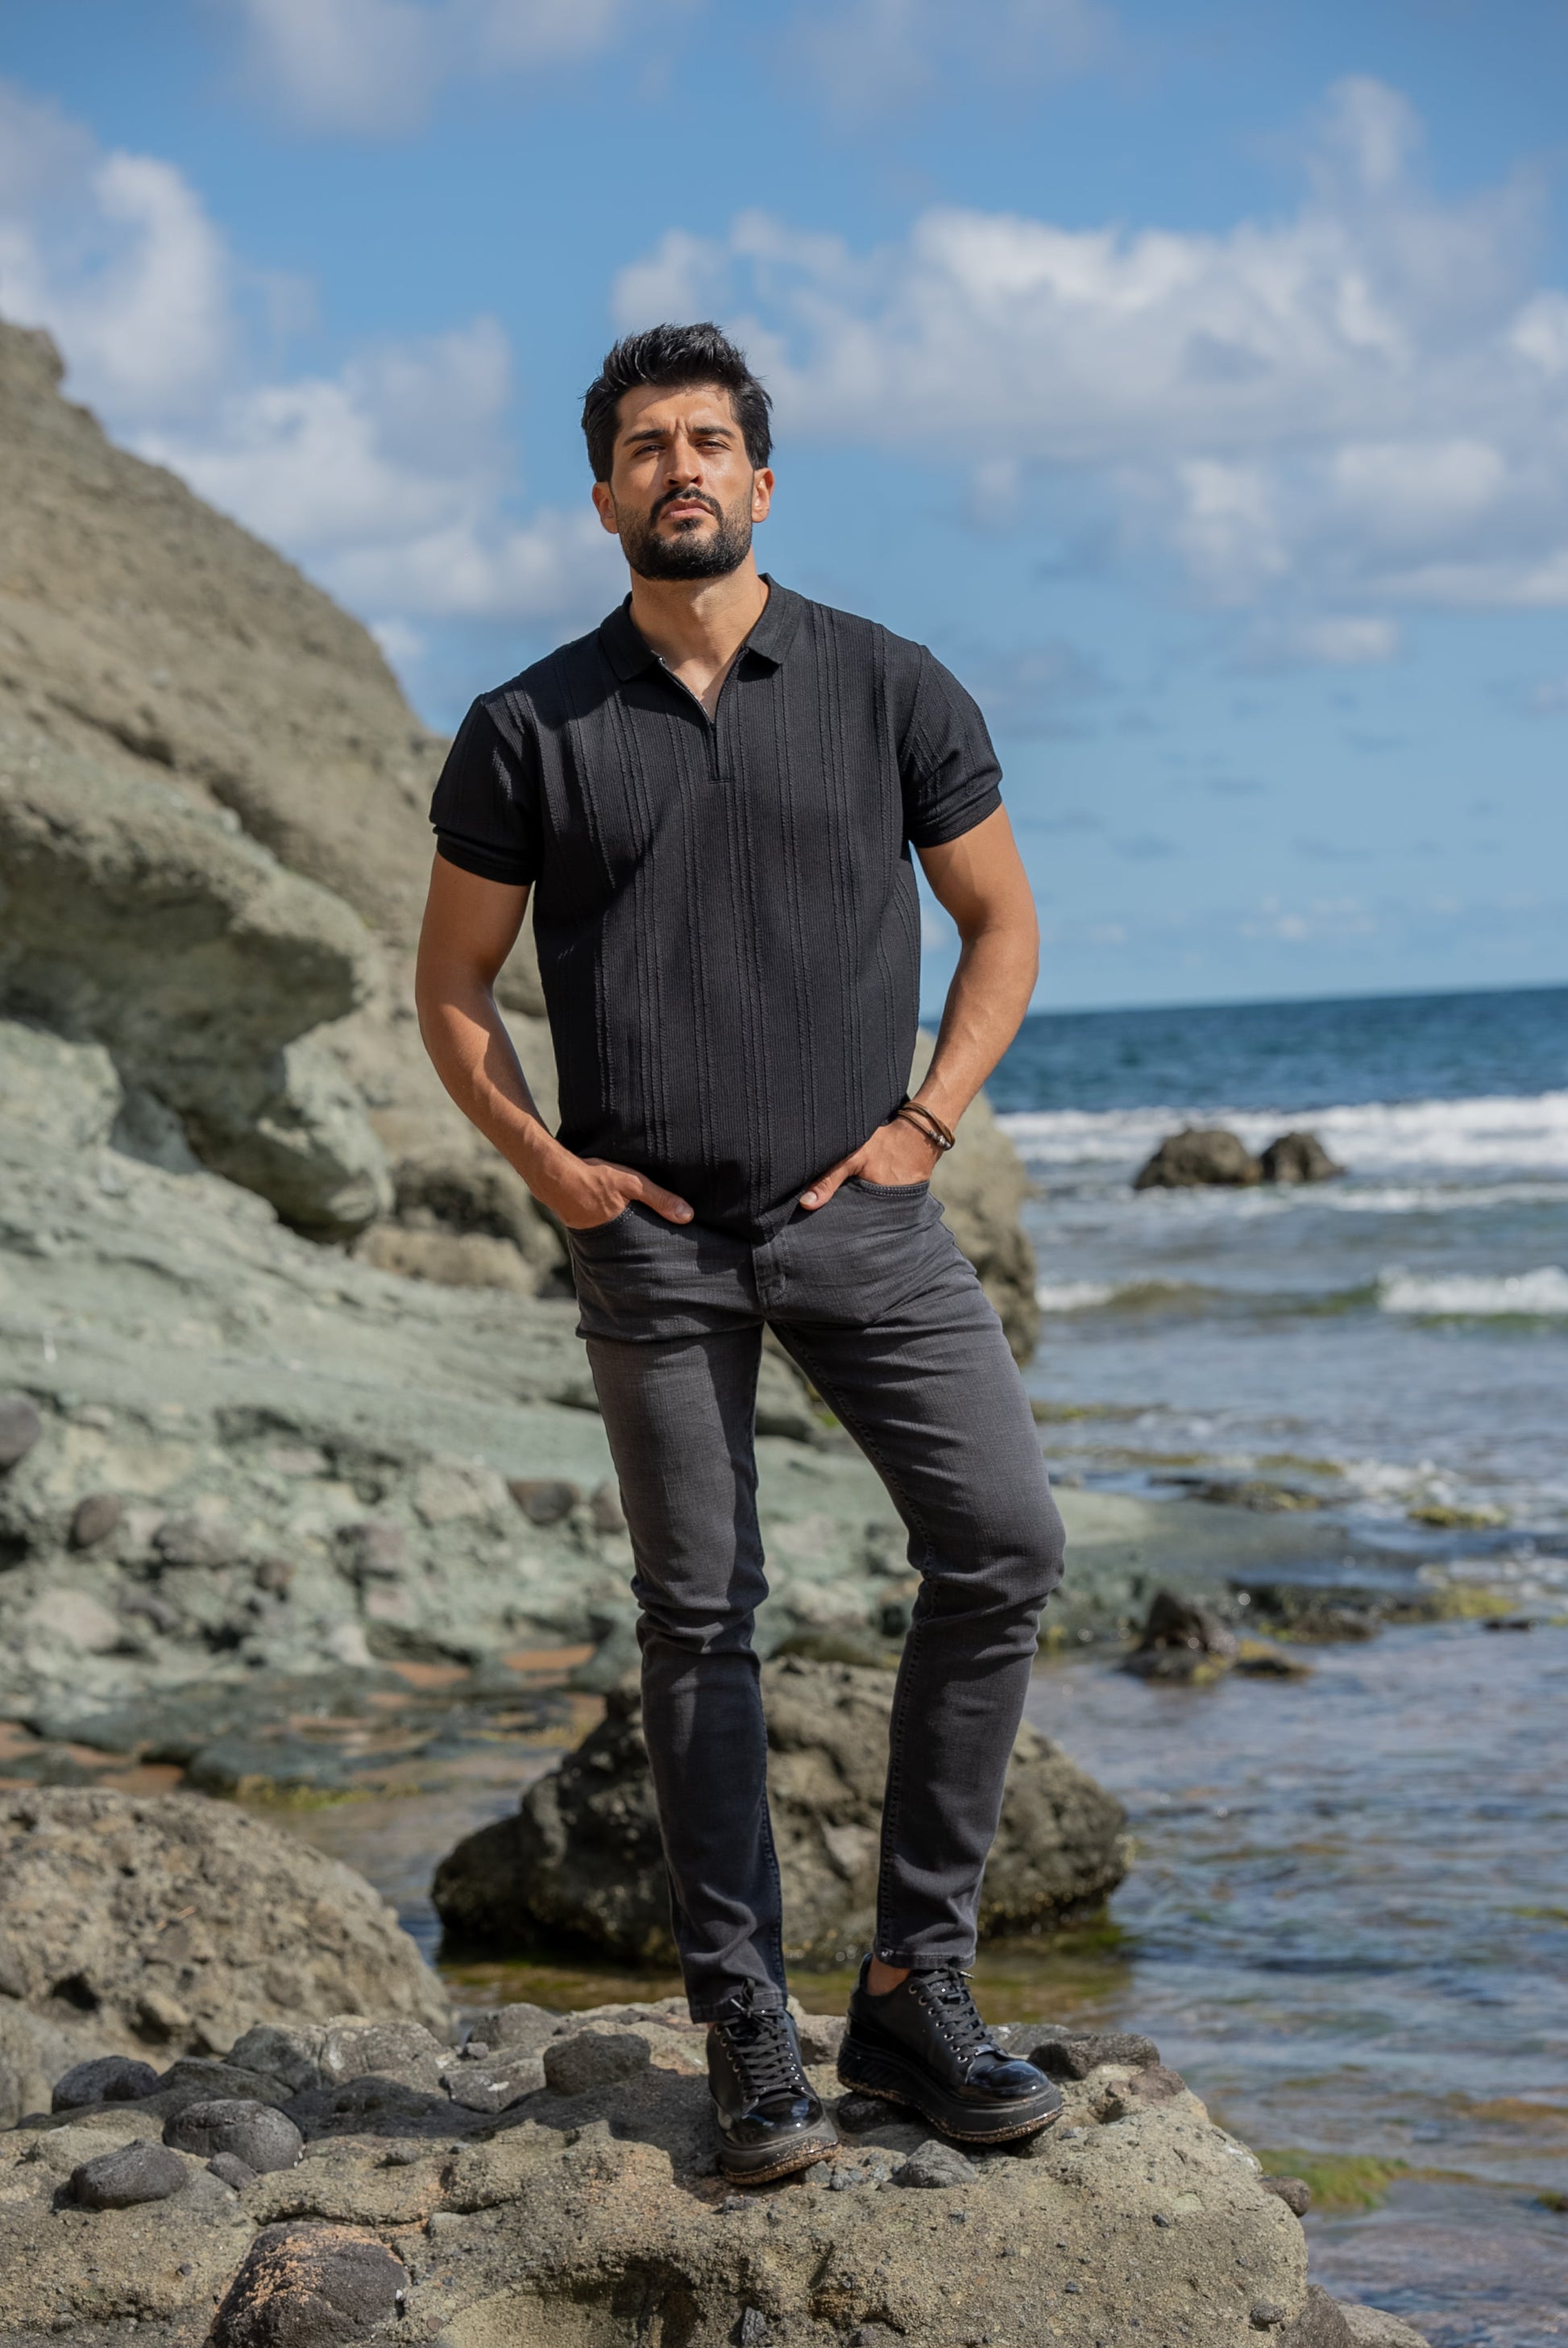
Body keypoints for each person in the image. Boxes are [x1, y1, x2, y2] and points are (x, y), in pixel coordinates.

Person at [416, 322, 1067, 2184]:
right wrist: (547, 1162)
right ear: (603, 488)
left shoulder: (887, 683)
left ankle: (911, 1988)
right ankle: (746, 2028)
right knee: (700, 1614)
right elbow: (453, 985)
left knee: (1004, 1542)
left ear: (762, 480)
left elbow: (1002, 923)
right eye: (643, 445)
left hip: (861, 1216)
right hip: (653, 1249)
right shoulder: (528, 724)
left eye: (709, 442)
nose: (677, 468)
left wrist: (924, 1124)